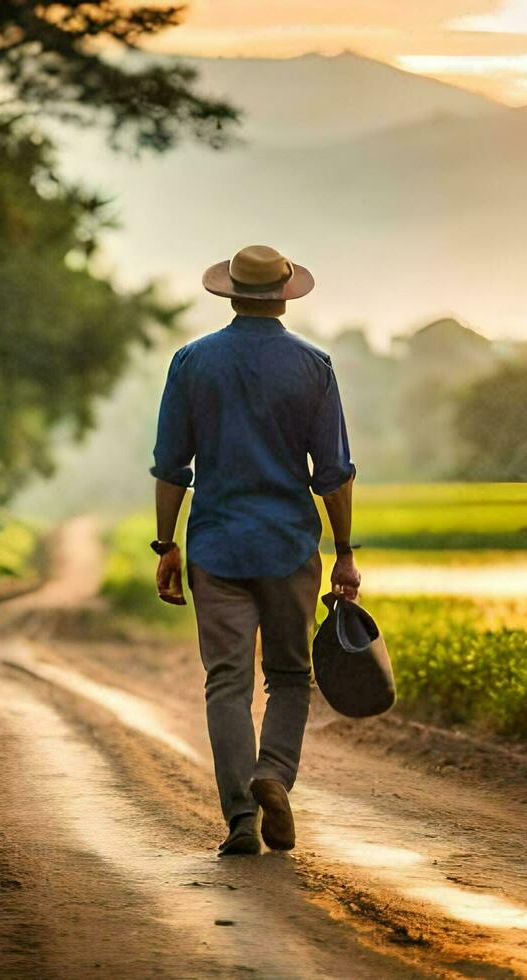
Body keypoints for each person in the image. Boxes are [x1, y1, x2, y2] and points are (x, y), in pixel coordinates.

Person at [149, 244, 361, 856]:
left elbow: (171, 466)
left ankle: (241, 820)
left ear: (232, 293)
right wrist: (343, 550)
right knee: (292, 676)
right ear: (284, 297)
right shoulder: (314, 367)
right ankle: (274, 773)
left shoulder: (191, 363)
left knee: (226, 684)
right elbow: (334, 473)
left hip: (216, 545)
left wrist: (167, 545)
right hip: (289, 545)